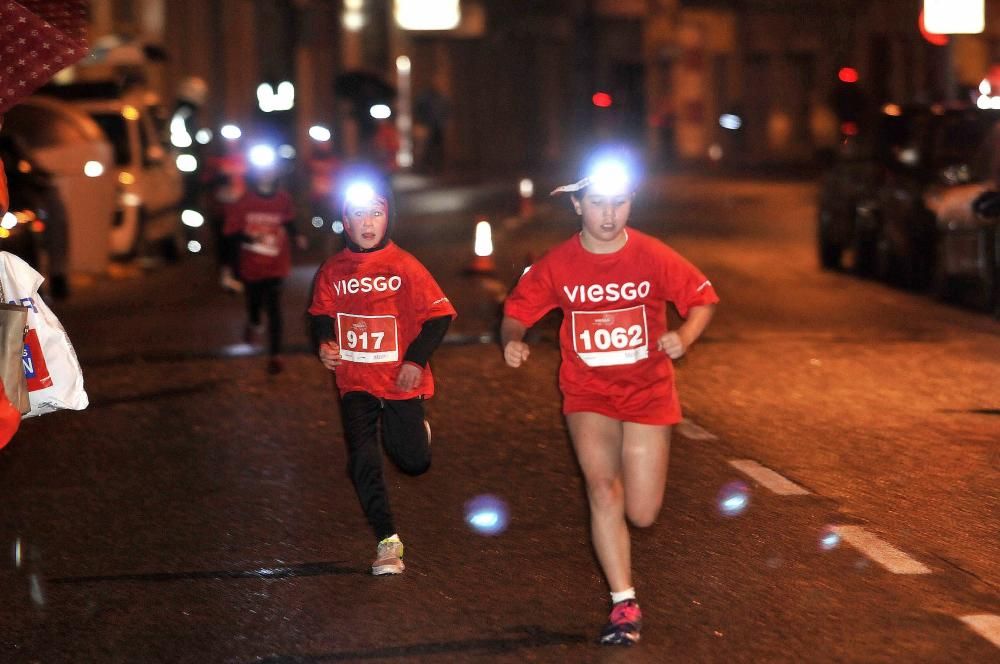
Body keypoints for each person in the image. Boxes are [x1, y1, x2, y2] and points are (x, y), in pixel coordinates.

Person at [500, 147, 718, 646]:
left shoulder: (652, 254)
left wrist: (684, 338)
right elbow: (517, 310)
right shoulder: (558, 263)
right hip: (588, 393)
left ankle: (625, 583)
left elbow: (702, 298)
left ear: (631, 203)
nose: (608, 214)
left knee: (642, 513)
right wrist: (512, 340)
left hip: (648, 393)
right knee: (603, 489)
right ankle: (624, 603)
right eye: (598, 202)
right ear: (578, 205)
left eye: (618, 202)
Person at [307, 165, 456, 575]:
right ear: (344, 221)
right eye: (358, 214)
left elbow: (439, 317)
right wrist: (325, 343)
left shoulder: (405, 266)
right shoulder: (332, 270)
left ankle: (413, 434)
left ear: (388, 216)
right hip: (355, 382)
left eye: (375, 212)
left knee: (412, 462)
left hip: (399, 380)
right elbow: (321, 314)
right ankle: (387, 541)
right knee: (362, 460)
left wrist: (414, 360)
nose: (367, 222)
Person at [222, 143, 302, 374]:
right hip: (252, 266)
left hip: (277, 265)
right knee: (255, 305)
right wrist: (249, 240)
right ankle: (254, 322)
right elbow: (231, 233)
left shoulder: (283, 199)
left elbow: (288, 220)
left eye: (270, 171)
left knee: (275, 308)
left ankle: (276, 354)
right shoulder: (244, 202)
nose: (267, 176)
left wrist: (297, 237)